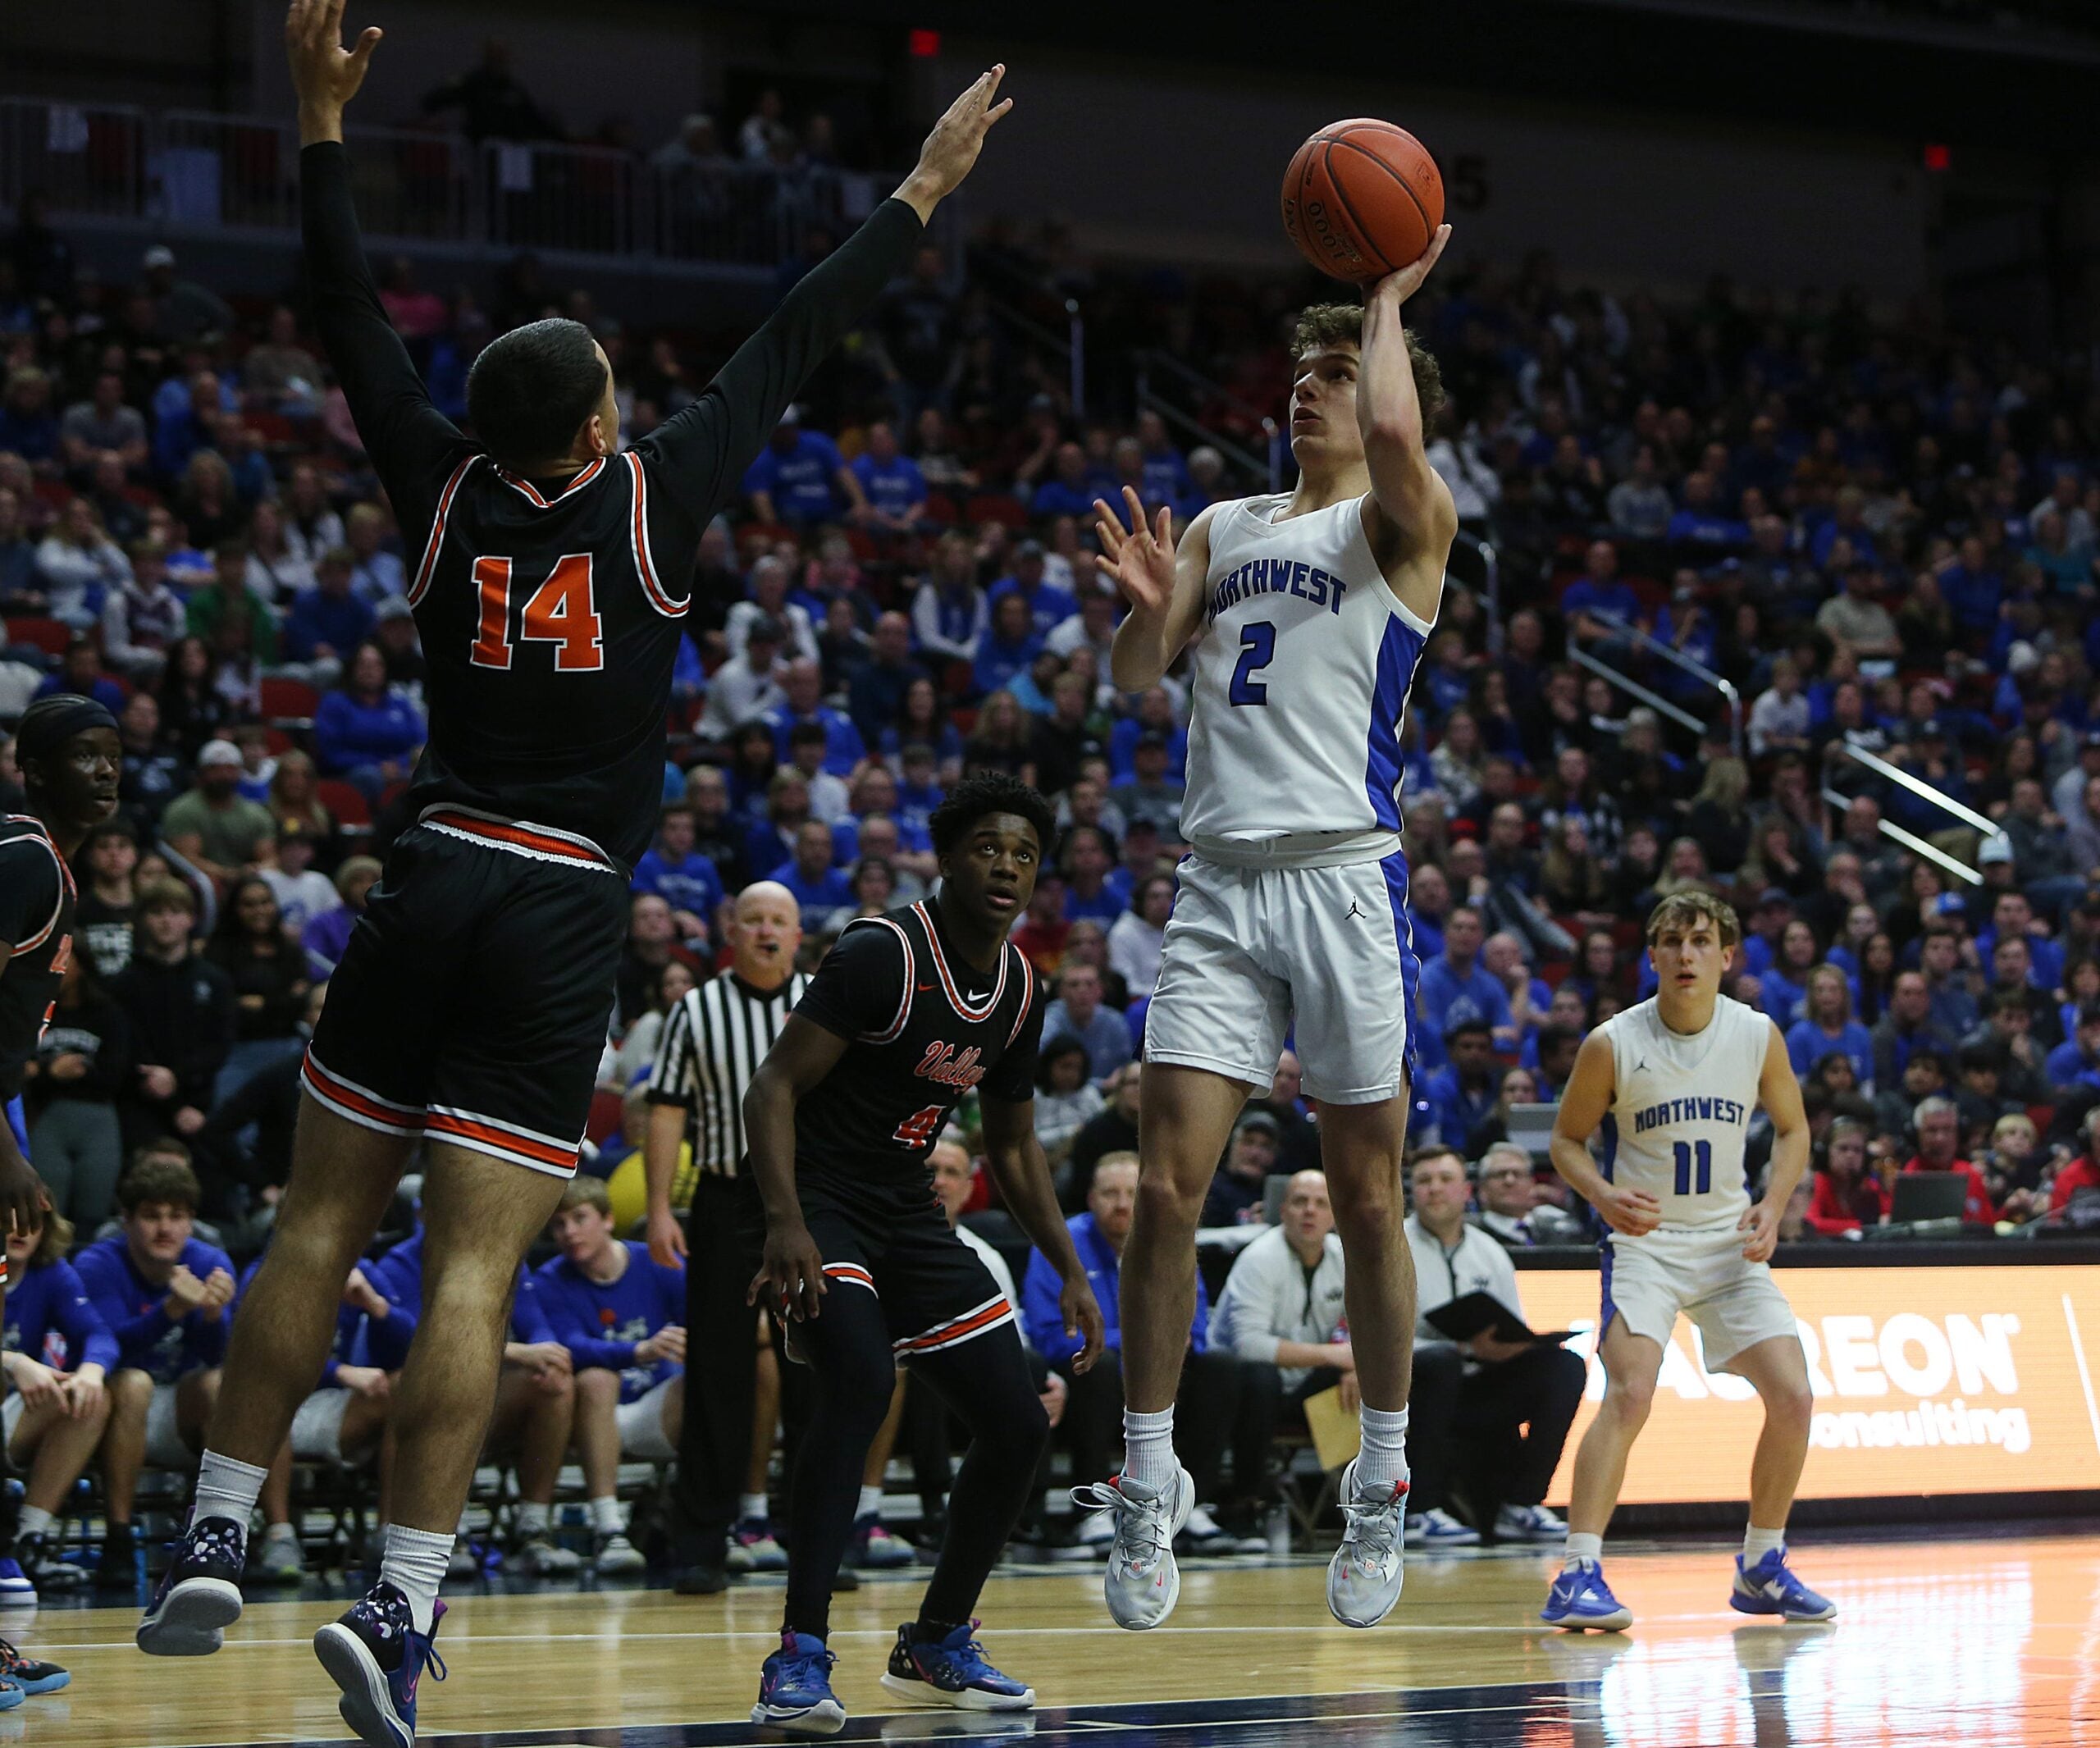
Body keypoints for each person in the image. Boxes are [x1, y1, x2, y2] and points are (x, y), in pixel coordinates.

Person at [139, 16, 1014, 1746]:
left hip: (431, 866)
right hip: (552, 904)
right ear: (602, 420)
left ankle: (217, 1526)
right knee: (468, 1276)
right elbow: (796, 332)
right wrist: (918, 186)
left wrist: (318, 119)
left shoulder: (437, 484)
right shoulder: (655, 492)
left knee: (313, 1219)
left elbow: (339, 312)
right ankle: (397, 1600)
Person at [1086, 221, 1457, 1630]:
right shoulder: (1219, 527)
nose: (1305, 390)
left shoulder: (1403, 526)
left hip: (1346, 881)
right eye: (1292, 373)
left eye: (1331, 374)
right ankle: (1146, 1476)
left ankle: (1381, 1485)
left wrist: (1382, 298)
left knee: (1367, 1199)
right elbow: (1138, 678)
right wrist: (1139, 617)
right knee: (1167, 1189)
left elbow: (1397, 430)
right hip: (1222, 886)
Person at [738, 773, 1104, 1732]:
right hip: (819, 1197)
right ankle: (799, 1652)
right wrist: (782, 1222)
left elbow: (1015, 1145)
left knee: (1020, 1422)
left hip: (906, 1206)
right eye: (988, 846)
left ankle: (935, 1638)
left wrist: (1067, 1266)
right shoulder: (880, 954)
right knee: (859, 1380)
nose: (1007, 867)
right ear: (946, 856)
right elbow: (770, 1090)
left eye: (1024, 854)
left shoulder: (1021, 988)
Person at [1541, 892, 1833, 1631]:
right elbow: (1566, 1142)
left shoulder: (1757, 1034)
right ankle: (1577, 1572)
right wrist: (1604, 1194)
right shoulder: (1613, 1041)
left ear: (1727, 956)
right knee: (1631, 1392)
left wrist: (1773, 1204)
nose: (1685, 955)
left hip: (1729, 1241)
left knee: (1795, 1396)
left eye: (1700, 941)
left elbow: (1795, 1130)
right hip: (1645, 1243)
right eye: (1670, 942)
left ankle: (1762, 1564)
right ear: (1652, 957)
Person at [641, 881, 809, 1592]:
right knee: (718, 1373)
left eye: (781, 919)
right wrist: (657, 1207)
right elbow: (667, 1111)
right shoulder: (696, 1007)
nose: (768, 930)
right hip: (722, 1198)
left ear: (798, 935)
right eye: (755, 919)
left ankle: (815, 1541)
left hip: (808, 1201)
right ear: (730, 930)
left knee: (813, 1370)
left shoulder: (822, 1002)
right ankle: (702, 1542)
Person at [0, 695, 116, 1671]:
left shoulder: (46, 861)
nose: (107, 772)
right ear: (33, 769)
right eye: (83, 756)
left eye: (114, 756)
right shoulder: (25, 857)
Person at [1402, 1148, 1580, 1547]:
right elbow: (1377, 1336)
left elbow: (1510, 1326)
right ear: (1412, 1192)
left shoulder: (1489, 1251)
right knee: (1441, 1360)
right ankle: (1419, 1511)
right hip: (1413, 1391)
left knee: (1565, 1366)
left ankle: (1521, 1505)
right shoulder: (1393, 1247)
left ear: (1467, 1191)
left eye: (1445, 1179)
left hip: (1477, 1387)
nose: (1435, 1189)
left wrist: (1512, 1347)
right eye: (1425, 1180)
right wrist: (1462, 1346)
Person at [77, 1152, 235, 1591]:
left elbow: (222, 1355)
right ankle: (120, 1536)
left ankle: (215, 1530)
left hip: (179, 1408)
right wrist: (171, 1310)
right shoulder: (96, 1263)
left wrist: (212, 1317)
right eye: (151, 1216)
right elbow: (109, 1345)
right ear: (126, 1219)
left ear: (191, 1221)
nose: (165, 1228)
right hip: (111, 1409)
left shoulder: (211, 1262)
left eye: (177, 1216)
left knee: (219, 1385)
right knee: (134, 1383)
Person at [534, 1175, 686, 1575]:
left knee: (714, 1381)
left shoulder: (657, 1260)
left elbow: (704, 1320)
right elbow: (568, 1346)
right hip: (591, 1416)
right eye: (559, 1225)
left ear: (608, 1220)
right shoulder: (549, 1279)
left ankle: (726, 1518)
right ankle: (610, 1528)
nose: (569, 1233)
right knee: (597, 1378)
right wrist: (638, 1350)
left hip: (655, 1406)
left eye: (579, 1219)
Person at [2, 1207, 115, 1593]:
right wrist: (14, 1361)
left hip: (12, 1414)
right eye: (7, 1216)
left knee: (89, 1397)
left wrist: (91, 1371)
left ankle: (28, 1541)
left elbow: (99, 1334)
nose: (19, 1230)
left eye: (30, 1219)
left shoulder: (51, 1274)